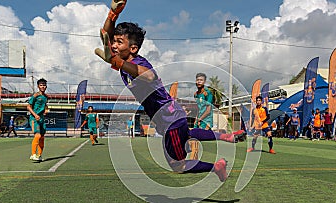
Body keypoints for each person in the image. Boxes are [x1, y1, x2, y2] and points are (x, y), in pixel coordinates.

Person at [94, 0, 245, 181]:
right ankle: (225, 137)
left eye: (119, 42)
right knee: (188, 134)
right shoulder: (123, 59)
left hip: (169, 120)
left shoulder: (137, 63)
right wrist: (113, 14)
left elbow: (148, 76)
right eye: (114, 43)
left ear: (133, 48)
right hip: (173, 116)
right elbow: (105, 35)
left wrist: (116, 62)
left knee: (178, 165)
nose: (114, 45)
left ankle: (216, 166)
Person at [27, 78, 48, 161]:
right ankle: (33, 154)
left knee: (42, 137)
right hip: (34, 118)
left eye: (44, 85)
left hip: (41, 118)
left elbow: (45, 106)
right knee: (37, 135)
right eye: (41, 85)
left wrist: (46, 110)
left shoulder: (46, 97)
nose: (43, 86)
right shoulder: (35, 95)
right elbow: (28, 106)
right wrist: (35, 115)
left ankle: (39, 155)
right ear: (38, 86)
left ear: (46, 86)